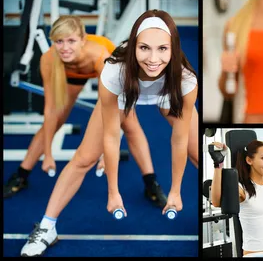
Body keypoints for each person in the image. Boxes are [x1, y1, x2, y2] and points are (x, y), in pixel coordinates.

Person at [17, 15, 168, 257]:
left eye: (71, 41)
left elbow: (108, 110)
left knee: (129, 126)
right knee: (66, 131)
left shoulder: (103, 58)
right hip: (72, 74)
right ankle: (25, 181)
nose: (64, 47)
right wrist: (48, 152)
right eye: (59, 41)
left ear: (83, 40)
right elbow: (49, 111)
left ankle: (151, 183)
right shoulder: (50, 59)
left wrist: (107, 153)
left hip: (111, 83)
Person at [101, 10, 198, 222]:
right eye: (144, 48)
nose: (153, 59)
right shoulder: (114, 70)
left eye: (162, 48)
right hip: (126, 92)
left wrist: (176, 191)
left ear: (173, 49)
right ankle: (48, 224)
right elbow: (110, 136)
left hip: (165, 93)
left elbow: (179, 140)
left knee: (198, 152)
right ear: (134, 46)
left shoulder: (186, 80)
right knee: (86, 157)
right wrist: (113, 192)